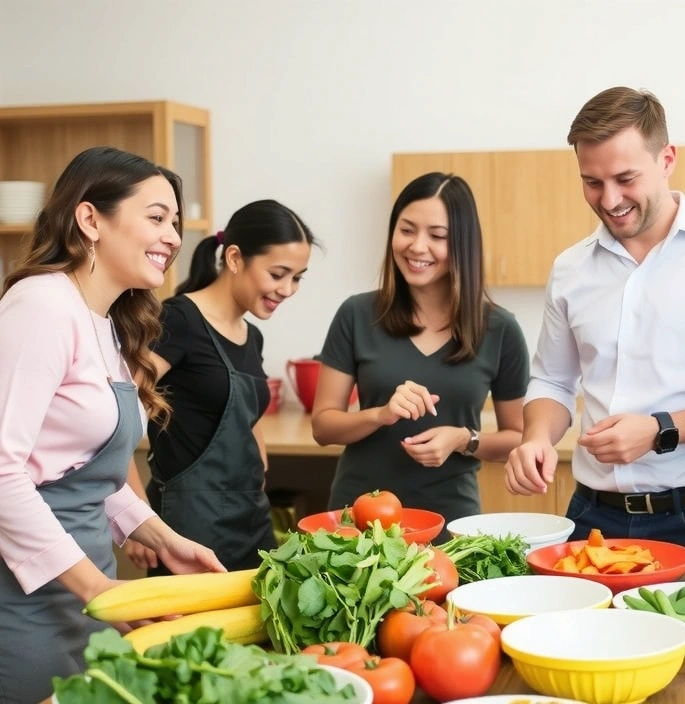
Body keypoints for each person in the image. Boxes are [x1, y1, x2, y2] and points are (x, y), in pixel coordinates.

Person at [0, 146, 225, 704]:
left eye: (174, 222)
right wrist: (98, 588)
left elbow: (82, 470)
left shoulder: (105, 322)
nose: (173, 237)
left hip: (86, 588)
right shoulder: (41, 307)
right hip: (27, 596)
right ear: (90, 219)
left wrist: (160, 537)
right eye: (156, 217)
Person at [504, 86, 685, 545]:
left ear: (667, 159)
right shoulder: (570, 267)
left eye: (625, 178)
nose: (610, 199)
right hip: (589, 514)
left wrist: (658, 431)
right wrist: (535, 438)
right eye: (592, 182)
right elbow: (552, 381)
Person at [311, 172, 529, 533]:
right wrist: (380, 414)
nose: (417, 246)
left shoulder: (499, 329)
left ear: (462, 244)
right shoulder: (357, 314)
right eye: (407, 229)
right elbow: (323, 426)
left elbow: (520, 436)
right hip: (359, 521)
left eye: (437, 236)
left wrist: (465, 439)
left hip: (451, 522)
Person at [124, 200, 315, 575]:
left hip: (251, 524)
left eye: (297, 277)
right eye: (278, 274)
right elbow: (115, 416)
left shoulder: (252, 337)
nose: (288, 289)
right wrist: (134, 518)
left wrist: (259, 465)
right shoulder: (177, 320)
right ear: (234, 258)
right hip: (186, 531)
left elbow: (248, 415)